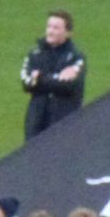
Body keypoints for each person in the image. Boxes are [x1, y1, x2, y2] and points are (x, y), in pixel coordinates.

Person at [20, 10, 86, 140]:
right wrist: (55, 78)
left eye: (56, 28)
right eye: (49, 26)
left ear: (67, 32)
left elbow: (69, 85)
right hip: (36, 123)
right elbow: (27, 83)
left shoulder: (76, 58)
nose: (50, 31)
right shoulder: (35, 55)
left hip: (64, 123)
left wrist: (40, 79)